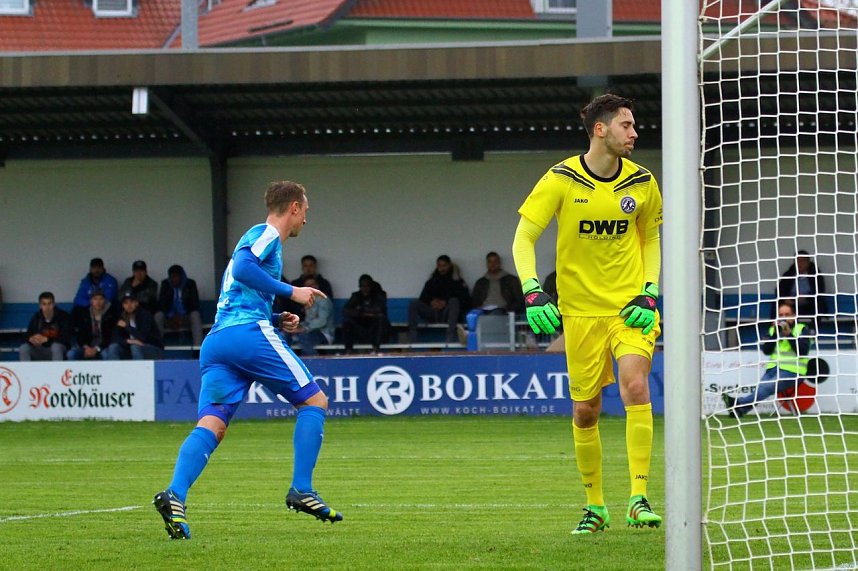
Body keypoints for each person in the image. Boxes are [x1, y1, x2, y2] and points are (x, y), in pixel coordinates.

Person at [153, 180, 342, 541]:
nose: (307, 220)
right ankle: (302, 488)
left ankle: (175, 495)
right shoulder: (266, 233)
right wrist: (292, 292)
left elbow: (236, 292)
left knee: (213, 424)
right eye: (307, 211)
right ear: (295, 209)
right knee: (314, 400)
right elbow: (241, 268)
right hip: (244, 336)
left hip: (219, 341)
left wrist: (275, 318)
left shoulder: (260, 240)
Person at [511, 93, 664, 533]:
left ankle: (638, 496)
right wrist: (534, 291)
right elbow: (524, 238)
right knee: (586, 411)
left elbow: (651, 240)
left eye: (634, 126)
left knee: (636, 384)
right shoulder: (560, 179)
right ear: (600, 129)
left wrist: (650, 292)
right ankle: (595, 506)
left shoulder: (642, 183)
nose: (634, 133)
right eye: (626, 125)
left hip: (630, 308)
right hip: (579, 313)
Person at [722, 301, 814, 418]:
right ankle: (740, 411)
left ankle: (737, 403)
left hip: (793, 371)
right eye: (781, 315)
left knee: (766, 387)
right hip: (772, 369)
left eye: (787, 314)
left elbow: (803, 352)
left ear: (794, 315)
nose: (784, 318)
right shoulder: (773, 330)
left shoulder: (802, 329)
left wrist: (789, 335)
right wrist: (775, 334)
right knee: (762, 388)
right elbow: (766, 350)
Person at [407, 255, 471, 343]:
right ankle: (412, 338)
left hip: (448, 314)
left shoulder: (458, 282)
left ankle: (450, 338)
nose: (442, 268)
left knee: (454, 301)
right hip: (432, 313)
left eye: (444, 265)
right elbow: (423, 299)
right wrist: (432, 302)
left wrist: (445, 303)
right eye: (439, 266)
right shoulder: (431, 282)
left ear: (449, 265)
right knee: (414, 303)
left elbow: (466, 302)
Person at [154, 264, 204, 349]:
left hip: (185, 317)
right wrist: (170, 316)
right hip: (169, 318)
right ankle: (156, 348)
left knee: (195, 315)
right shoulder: (166, 284)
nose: (174, 279)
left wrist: (181, 317)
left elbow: (195, 304)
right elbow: (162, 305)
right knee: (158, 315)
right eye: (172, 277)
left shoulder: (190, 284)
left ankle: (198, 349)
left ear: (182, 276)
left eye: (176, 276)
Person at [105, 290, 164, 360]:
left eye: (131, 302)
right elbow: (114, 338)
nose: (129, 305)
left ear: (137, 303)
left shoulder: (145, 315)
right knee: (113, 347)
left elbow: (143, 338)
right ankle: (115, 370)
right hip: (131, 347)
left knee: (135, 347)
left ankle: (139, 370)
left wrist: (127, 327)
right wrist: (128, 341)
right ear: (123, 305)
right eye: (126, 303)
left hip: (153, 348)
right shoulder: (122, 317)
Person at [776, 250, 828, 328]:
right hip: (792, 304)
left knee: (818, 304)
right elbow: (779, 290)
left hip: (809, 303)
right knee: (780, 306)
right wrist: (785, 299)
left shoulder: (816, 275)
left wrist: (807, 298)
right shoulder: (788, 274)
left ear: (808, 262)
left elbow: (820, 290)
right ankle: (778, 329)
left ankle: (814, 330)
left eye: (803, 261)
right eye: (798, 261)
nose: (800, 263)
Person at [341, 274, 390, 353]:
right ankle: (348, 350)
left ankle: (376, 348)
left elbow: (379, 309)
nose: (364, 288)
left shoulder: (379, 295)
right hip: (361, 328)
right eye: (362, 286)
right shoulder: (356, 295)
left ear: (371, 285)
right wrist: (363, 313)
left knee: (380, 318)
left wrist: (360, 310)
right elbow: (345, 310)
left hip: (376, 330)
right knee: (347, 322)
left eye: (367, 286)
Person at [18, 291, 73, 361]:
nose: (47, 307)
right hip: (40, 350)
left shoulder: (63, 317)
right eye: (44, 304)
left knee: (56, 347)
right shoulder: (36, 318)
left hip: (58, 351)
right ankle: (26, 371)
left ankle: (57, 371)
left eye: (49, 304)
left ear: (54, 304)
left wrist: (47, 340)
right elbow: (27, 335)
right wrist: (31, 339)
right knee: (24, 348)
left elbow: (65, 338)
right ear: (40, 305)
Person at [67, 289, 118, 360]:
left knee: (106, 354)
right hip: (86, 346)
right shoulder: (84, 314)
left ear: (105, 300)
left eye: (101, 299)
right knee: (71, 354)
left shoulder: (110, 315)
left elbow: (110, 336)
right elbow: (80, 334)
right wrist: (86, 347)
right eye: (95, 299)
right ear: (91, 301)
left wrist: (97, 348)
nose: (98, 302)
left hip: (103, 346)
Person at [292, 276, 335, 356]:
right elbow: (309, 321)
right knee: (287, 334)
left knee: (304, 337)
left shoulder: (323, 299)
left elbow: (322, 322)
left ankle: (314, 363)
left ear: (317, 286)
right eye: (308, 286)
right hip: (311, 331)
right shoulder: (309, 300)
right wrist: (298, 327)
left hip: (323, 333)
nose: (311, 287)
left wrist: (304, 328)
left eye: (313, 285)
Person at [72, 258, 119, 322]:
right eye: (94, 268)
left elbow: (108, 298)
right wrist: (92, 303)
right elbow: (77, 299)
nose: (97, 270)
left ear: (103, 269)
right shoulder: (85, 281)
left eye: (99, 268)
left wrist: (95, 303)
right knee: (76, 310)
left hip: (106, 310)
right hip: (89, 309)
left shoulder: (110, 280)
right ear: (90, 269)